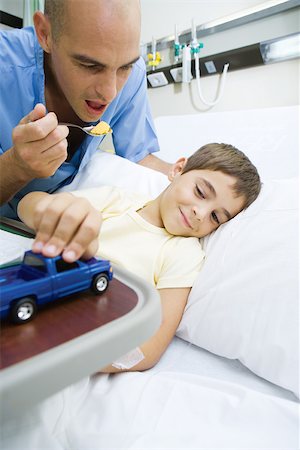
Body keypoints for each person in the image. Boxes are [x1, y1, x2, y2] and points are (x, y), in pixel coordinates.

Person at [18, 143, 261, 372]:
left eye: (216, 217)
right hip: (34, 288)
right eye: (200, 192)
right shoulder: (117, 201)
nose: (201, 213)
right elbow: (31, 205)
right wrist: (44, 211)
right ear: (178, 170)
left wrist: (66, 360)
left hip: (72, 335)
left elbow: (152, 344)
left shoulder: (184, 253)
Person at [0, 0, 170, 219]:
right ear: (44, 34)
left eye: (124, 67)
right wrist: (16, 166)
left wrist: (189, 176)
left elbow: (138, 157)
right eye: (91, 66)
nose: (110, 93)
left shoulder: (134, 75)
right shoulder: (5, 66)